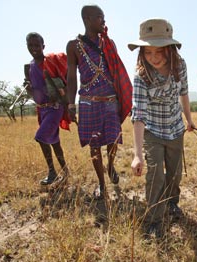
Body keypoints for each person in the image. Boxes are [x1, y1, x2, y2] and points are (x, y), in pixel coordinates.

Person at [129, 18, 195, 238]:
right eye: (147, 52)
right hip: (153, 132)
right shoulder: (141, 77)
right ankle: (154, 221)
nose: (153, 58)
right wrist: (137, 155)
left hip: (176, 129)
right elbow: (138, 115)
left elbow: (183, 93)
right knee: (156, 175)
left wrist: (189, 119)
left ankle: (172, 203)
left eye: (159, 52)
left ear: (170, 50)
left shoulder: (180, 66)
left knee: (174, 174)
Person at [66, 5, 132, 198]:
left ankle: (110, 167)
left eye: (103, 17)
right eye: (99, 17)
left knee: (112, 139)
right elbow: (71, 77)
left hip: (111, 101)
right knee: (94, 144)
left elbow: (117, 72)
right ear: (87, 19)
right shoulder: (74, 46)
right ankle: (102, 185)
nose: (103, 21)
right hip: (88, 102)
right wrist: (70, 104)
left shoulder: (109, 44)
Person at [24, 32, 71, 185]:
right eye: (30, 45)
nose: (34, 48)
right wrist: (28, 89)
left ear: (43, 46)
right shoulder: (28, 67)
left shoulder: (51, 62)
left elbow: (64, 80)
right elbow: (34, 95)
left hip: (55, 108)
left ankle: (52, 172)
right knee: (54, 142)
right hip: (42, 109)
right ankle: (66, 171)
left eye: (37, 45)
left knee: (41, 137)